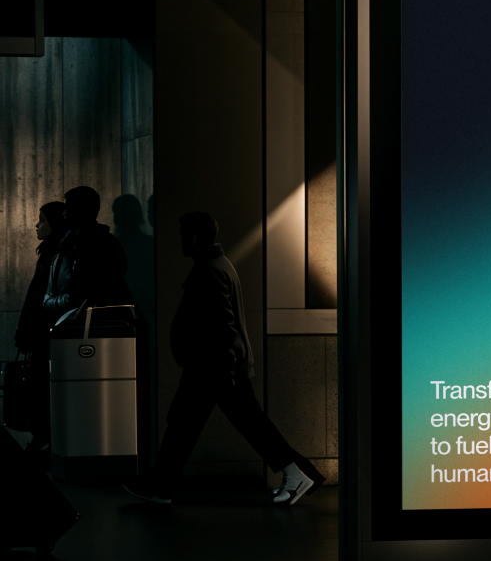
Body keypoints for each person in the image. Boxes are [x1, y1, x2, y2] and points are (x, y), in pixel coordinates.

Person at [123, 212, 319, 507]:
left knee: (193, 427)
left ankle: (159, 488)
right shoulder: (218, 265)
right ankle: (159, 487)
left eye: (182, 236)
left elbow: (222, 328)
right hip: (216, 368)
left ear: (193, 238)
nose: (179, 242)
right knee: (206, 426)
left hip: (213, 369)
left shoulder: (210, 271)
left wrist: (214, 364)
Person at [12, 201, 66, 463]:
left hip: (44, 333)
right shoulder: (52, 253)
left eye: (42, 220)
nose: (36, 225)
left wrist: (25, 331)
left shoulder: (55, 255)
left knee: (40, 389)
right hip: (43, 332)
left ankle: (41, 441)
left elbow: (37, 301)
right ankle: (41, 441)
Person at [41, 185, 136, 325]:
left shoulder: (96, 245)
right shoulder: (72, 245)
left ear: (80, 210)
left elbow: (85, 293)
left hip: (93, 325)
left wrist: (53, 303)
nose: (64, 213)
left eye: (68, 207)